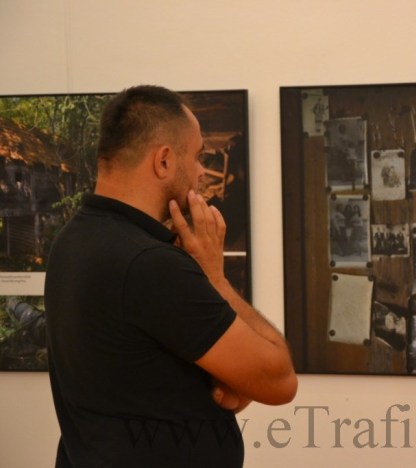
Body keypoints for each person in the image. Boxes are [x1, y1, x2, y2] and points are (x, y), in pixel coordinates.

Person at [44, 85, 297, 468]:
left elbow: (160, 373)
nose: (200, 171)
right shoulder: (149, 264)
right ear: (163, 161)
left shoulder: (72, 240)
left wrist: (238, 379)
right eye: (197, 156)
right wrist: (215, 277)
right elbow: (280, 380)